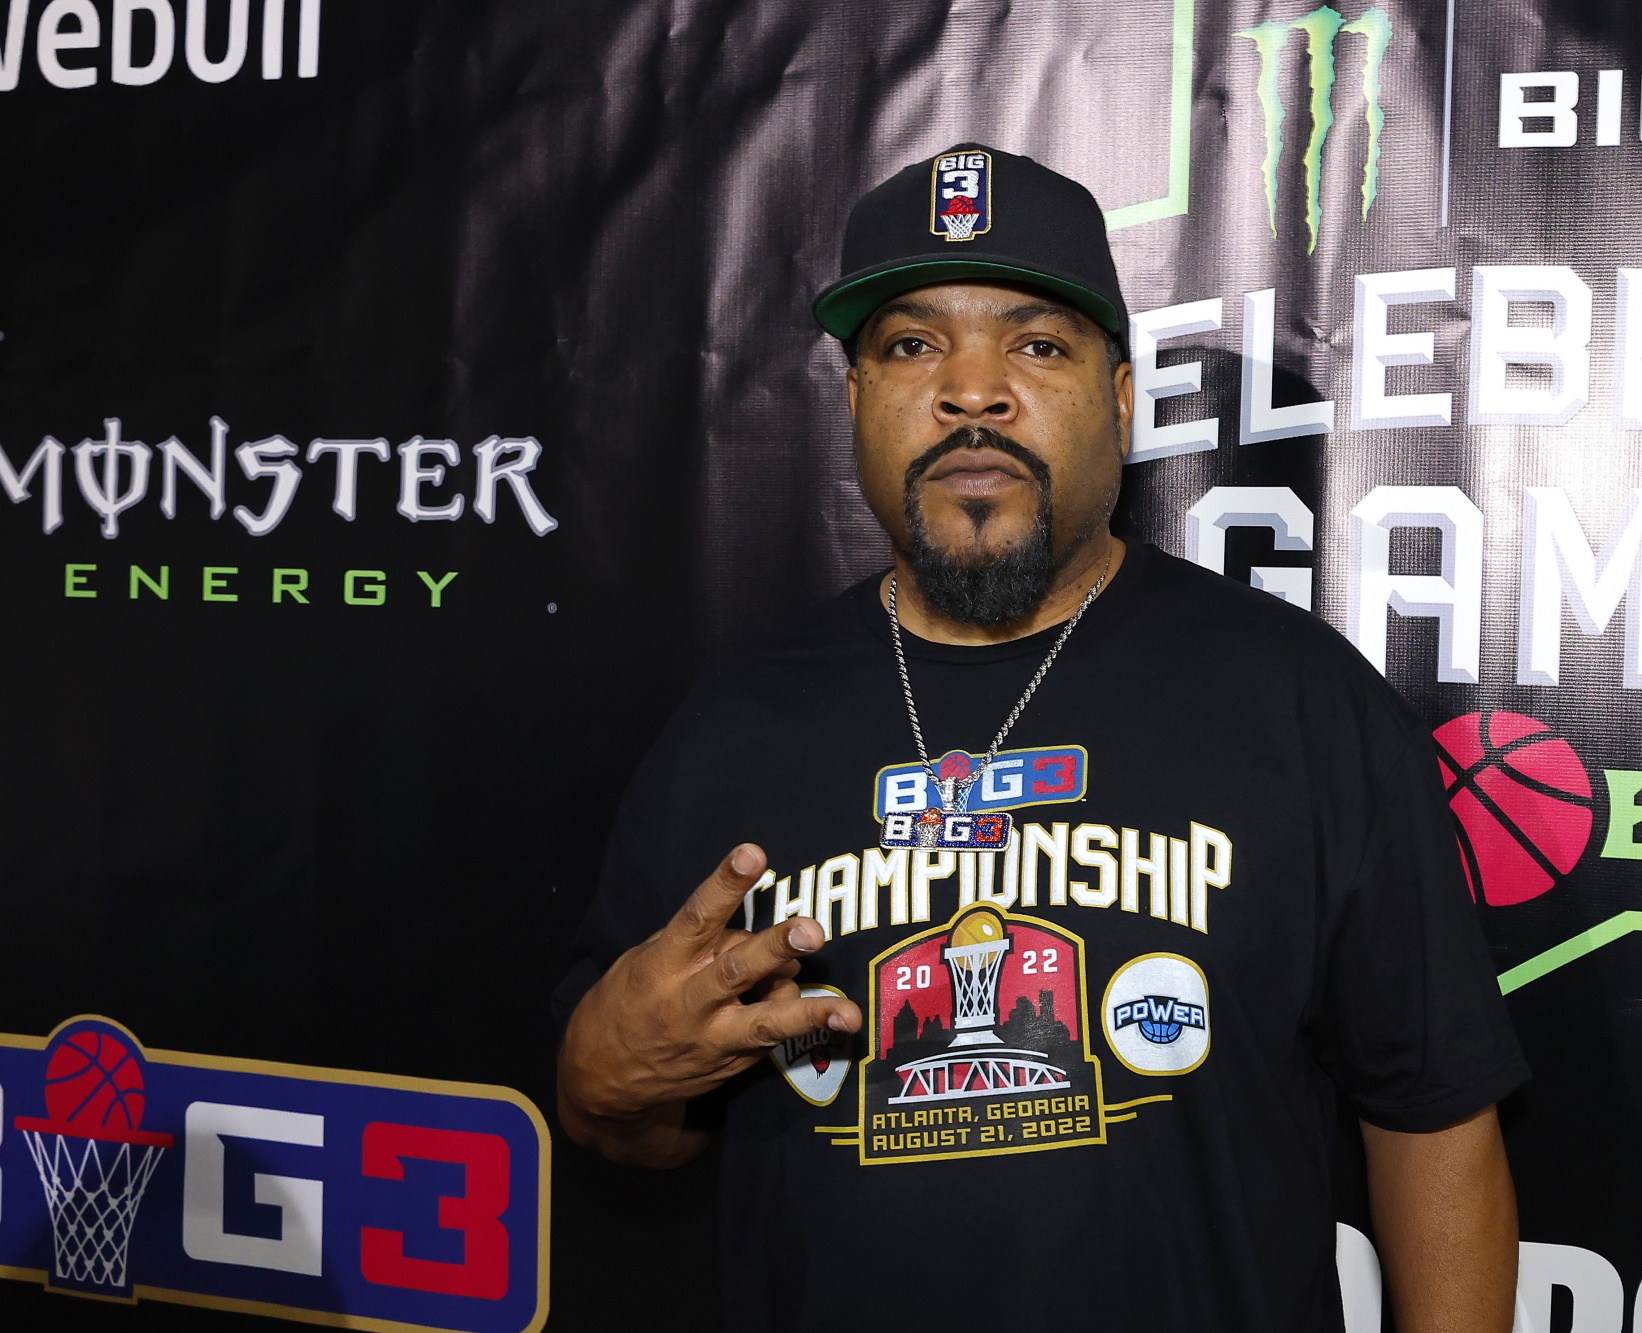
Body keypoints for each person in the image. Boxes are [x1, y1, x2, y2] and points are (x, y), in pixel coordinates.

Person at [555, 143, 1528, 1333]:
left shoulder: (1298, 697)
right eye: (911, 346)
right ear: (853, 401)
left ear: (1118, 399)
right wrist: (606, 1080)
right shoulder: (734, 726)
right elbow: (632, 1120)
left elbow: (1432, 1116)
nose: (972, 390)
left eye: (1035, 346)